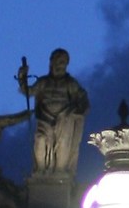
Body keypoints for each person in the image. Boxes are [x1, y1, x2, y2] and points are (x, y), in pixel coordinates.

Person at [17, 48, 90, 176]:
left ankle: (59, 174)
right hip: (45, 120)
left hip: (64, 121)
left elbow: (83, 100)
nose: (61, 65)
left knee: (62, 149)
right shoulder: (43, 82)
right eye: (59, 61)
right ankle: (40, 172)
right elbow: (28, 92)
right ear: (52, 62)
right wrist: (22, 78)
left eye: (64, 62)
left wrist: (75, 111)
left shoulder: (70, 83)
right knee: (40, 142)